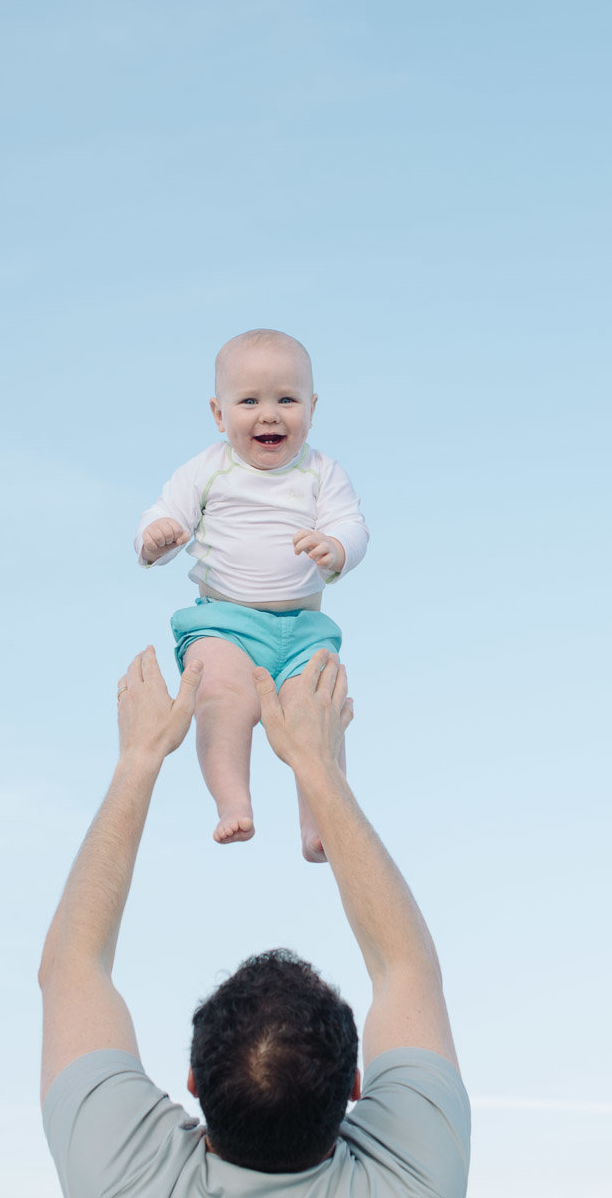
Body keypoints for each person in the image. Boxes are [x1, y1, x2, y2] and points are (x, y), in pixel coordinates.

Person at [39, 646, 470, 1196]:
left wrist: (140, 759)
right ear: (355, 1086)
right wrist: (320, 767)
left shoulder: (123, 1179)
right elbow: (405, 967)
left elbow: (71, 968)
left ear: (193, 1084)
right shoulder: (417, 1183)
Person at [134, 329, 369, 861]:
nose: (270, 415)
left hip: (303, 630)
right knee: (219, 698)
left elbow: (352, 526)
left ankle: (321, 824)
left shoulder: (322, 473)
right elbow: (161, 515)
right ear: (219, 414)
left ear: (312, 407)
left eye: (287, 399)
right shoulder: (208, 468)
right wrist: (159, 539)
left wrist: (336, 547)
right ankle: (232, 801)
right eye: (250, 401)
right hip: (224, 625)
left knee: (319, 715)